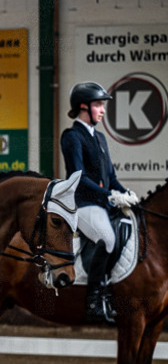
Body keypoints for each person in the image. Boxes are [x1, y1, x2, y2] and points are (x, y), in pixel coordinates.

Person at [60, 81, 138, 324]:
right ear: (83, 106)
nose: (103, 110)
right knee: (107, 239)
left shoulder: (101, 138)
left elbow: (111, 178)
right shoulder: (72, 136)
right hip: (83, 204)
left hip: (102, 204)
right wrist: (108, 196)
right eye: (98, 105)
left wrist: (126, 194)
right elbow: (78, 177)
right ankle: (93, 300)